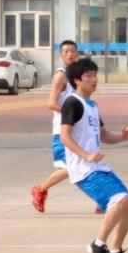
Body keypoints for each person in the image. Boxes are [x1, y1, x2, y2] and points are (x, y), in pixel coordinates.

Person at [59, 57, 128, 253]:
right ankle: (98, 244)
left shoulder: (92, 106)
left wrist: (123, 137)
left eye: (95, 75)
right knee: (120, 200)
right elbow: (64, 136)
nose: (94, 79)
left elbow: (104, 135)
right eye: (88, 76)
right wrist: (85, 155)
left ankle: (115, 251)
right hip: (84, 169)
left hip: (97, 167)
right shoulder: (72, 103)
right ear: (77, 80)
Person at [30, 39, 80, 212]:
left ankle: (102, 200)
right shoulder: (61, 76)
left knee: (88, 164)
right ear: (61, 54)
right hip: (63, 131)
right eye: (66, 51)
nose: (70, 54)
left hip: (78, 130)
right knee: (69, 168)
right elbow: (51, 103)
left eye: (72, 51)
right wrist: (70, 115)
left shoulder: (78, 76)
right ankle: (40, 190)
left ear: (77, 53)